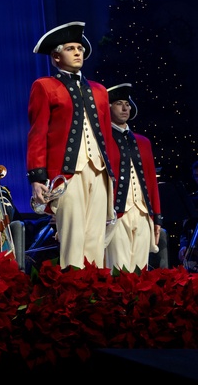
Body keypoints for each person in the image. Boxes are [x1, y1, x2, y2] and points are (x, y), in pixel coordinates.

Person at [27, 21, 116, 269]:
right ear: (56, 57)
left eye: (80, 48)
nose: (78, 52)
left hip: (98, 170)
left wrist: (112, 175)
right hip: (66, 174)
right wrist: (37, 177)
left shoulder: (99, 91)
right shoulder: (44, 87)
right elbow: (38, 133)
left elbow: (106, 138)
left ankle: (96, 293)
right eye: (70, 48)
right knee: (73, 237)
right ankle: (73, 293)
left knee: (96, 237)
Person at [104, 83, 162, 271]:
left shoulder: (143, 142)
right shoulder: (102, 140)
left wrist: (157, 217)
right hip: (117, 212)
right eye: (119, 103)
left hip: (143, 212)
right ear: (108, 107)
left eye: (127, 104)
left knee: (141, 269)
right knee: (118, 269)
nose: (124, 108)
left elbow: (152, 183)